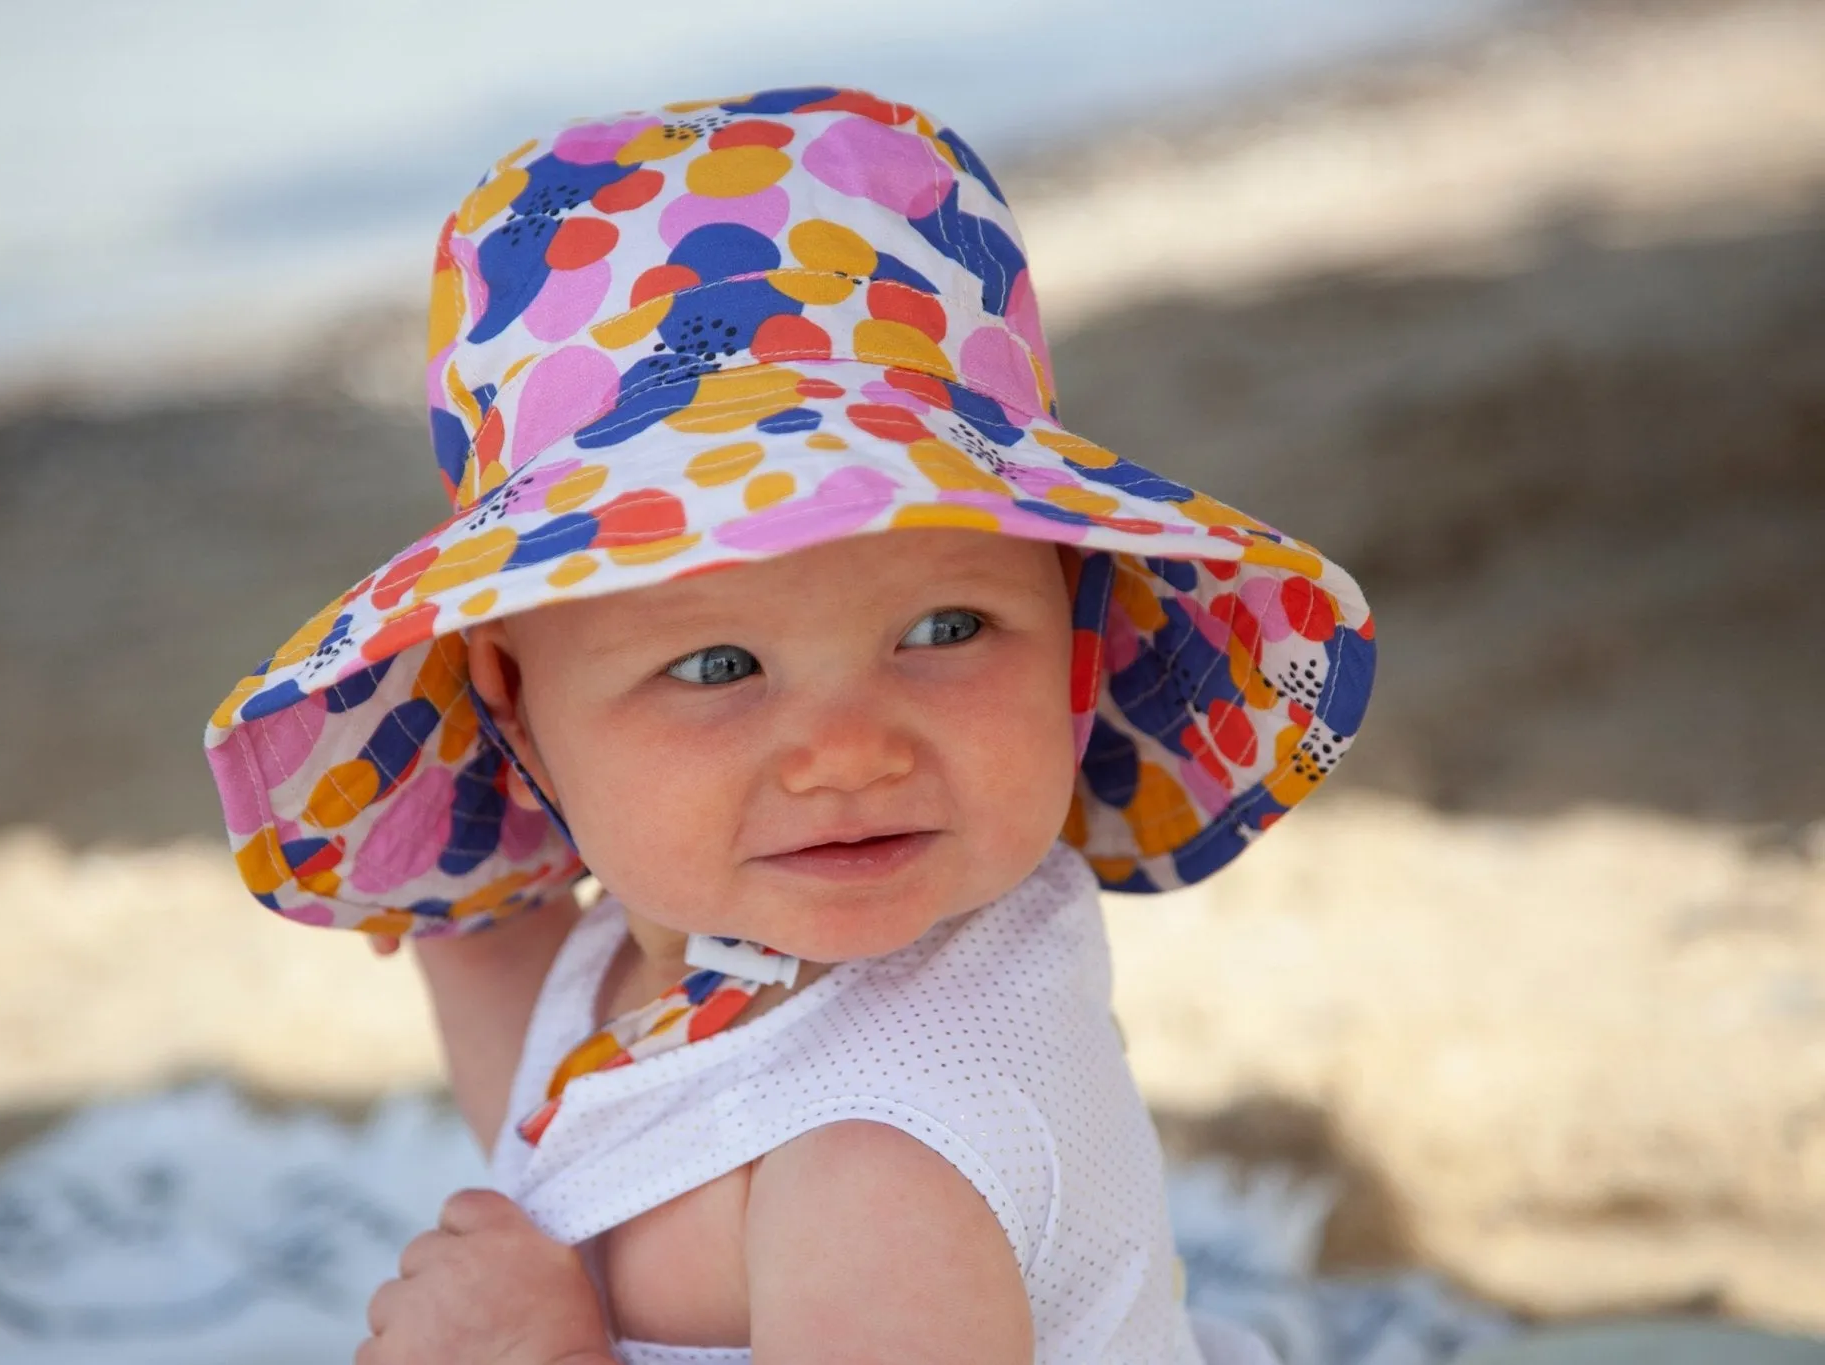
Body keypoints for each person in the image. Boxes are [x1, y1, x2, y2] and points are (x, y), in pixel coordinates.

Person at [202, 85, 1376, 1363]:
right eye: (716, 664)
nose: (848, 751)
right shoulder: (673, 964)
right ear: (516, 717)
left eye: (943, 632)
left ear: (1077, 647)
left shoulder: (879, 1173)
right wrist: (443, 901)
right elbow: (577, 1127)